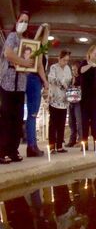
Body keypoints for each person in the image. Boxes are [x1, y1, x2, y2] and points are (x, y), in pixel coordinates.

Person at [0, 11, 35, 164]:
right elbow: (8, 54)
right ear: (17, 21)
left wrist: (29, 63)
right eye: (22, 20)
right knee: (6, 118)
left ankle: (13, 150)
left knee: (18, 118)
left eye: (26, 21)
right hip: (8, 81)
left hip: (20, 84)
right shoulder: (13, 37)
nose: (23, 23)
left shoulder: (26, 42)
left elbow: (31, 61)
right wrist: (23, 62)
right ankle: (2, 150)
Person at [25, 23, 50, 157]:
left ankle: (32, 144)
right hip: (35, 79)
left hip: (34, 80)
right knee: (32, 114)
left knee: (32, 114)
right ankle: (31, 146)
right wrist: (45, 81)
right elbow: (39, 65)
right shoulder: (38, 46)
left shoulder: (40, 47)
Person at [47, 49, 73, 153]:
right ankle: (52, 146)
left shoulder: (68, 68)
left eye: (67, 60)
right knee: (53, 124)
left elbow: (70, 80)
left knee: (61, 124)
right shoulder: (53, 67)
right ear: (59, 58)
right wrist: (62, 83)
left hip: (64, 101)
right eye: (64, 60)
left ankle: (59, 146)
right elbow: (51, 79)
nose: (65, 62)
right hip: (54, 99)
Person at [66, 62, 82, 147]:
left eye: (75, 69)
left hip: (79, 102)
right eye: (72, 70)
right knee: (71, 122)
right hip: (71, 100)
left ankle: (81, 140)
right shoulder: (71, 78)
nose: (74, 71)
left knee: (79, 121)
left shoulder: (81, 78)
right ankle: (72, 140)